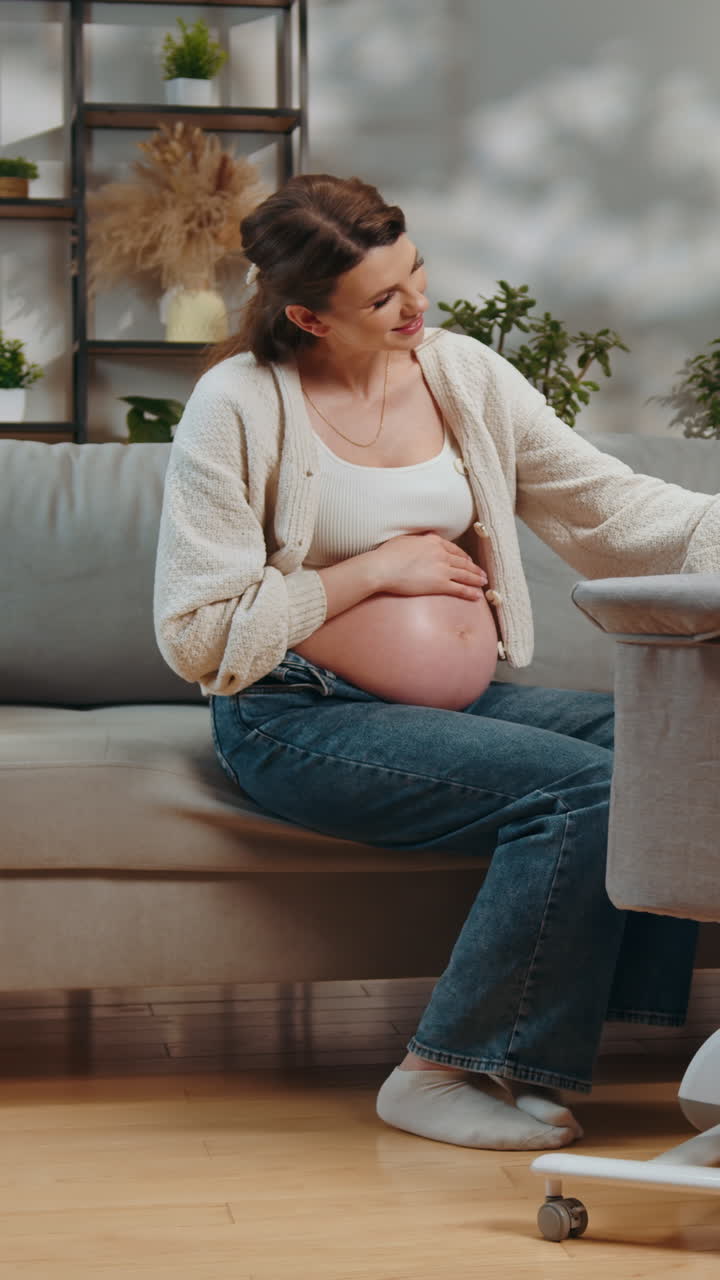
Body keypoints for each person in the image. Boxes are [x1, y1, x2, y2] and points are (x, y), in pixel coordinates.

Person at [153, 172, 718, 1152]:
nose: (417, 305)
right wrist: (373, 570)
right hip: (293, 714)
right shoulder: (236, 403)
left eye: (416, 273)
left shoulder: (462, 374)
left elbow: (609, 507)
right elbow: (197, 631)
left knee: (674, 747)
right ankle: (437, 1070)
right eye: (382, 298)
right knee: (587, 788)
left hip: (456, 704)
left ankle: (544, 1052)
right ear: (307, 316)